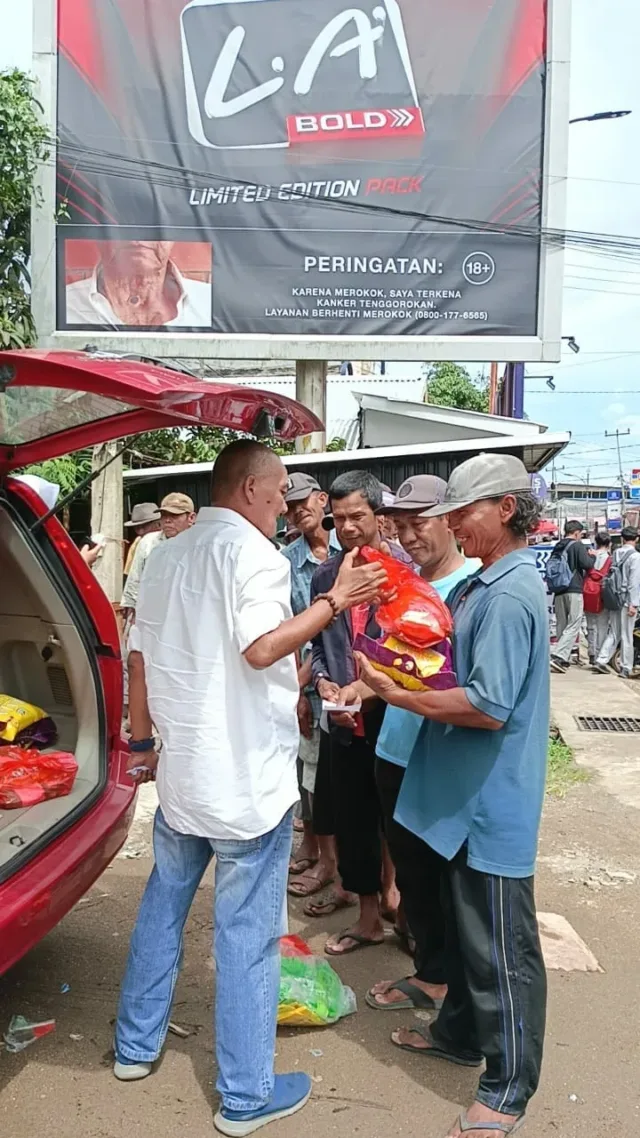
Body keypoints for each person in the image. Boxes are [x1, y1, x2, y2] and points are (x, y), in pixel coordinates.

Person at [113, 440, 386, 1136]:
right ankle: (243, 1096)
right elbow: (260, 647)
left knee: (162, 907)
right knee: (247, 939)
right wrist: (334, 599)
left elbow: (143, 663)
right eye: (280, 492)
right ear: (251, 489)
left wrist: (142, 743)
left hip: (184, 778)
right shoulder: (256, 557)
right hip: (244, 789)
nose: (288, 505)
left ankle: (134, 1048)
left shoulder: (168, 552)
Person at [353, 454, 549, 1138]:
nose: (454, 524)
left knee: (503, 955)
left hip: (490, 805)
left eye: (463, 512)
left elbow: (488, 706)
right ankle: (461, 1035)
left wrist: (396, 692)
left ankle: (508, 1086)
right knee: (472, 943)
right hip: (460, 800)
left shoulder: (508, 592)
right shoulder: (483, 585)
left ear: (502, 510)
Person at [352, 476, 481, 1013]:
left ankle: (455, 989)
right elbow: (397, 668)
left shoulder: (475, 588)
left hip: (442, 756)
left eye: (419, 523)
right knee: (411, 872)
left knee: (448, 878)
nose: (408, 536)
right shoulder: (400, 586)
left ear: (451, 520)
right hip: (394, 749)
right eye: (399, 526)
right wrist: (354, 688)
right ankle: (431, 976)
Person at [310, 470, 413, 954]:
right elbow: (318, 643)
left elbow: (412, 650)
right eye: (339, 518)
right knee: (353, 815)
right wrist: (323, 685)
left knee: (396, 816)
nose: (347, 526)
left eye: (357, 516)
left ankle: (400, 902)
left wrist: (363, 690)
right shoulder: (325, 577)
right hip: (342, 717)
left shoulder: (404, 573)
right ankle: (369, 916)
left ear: (378, 515)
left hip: (393, 711)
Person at [281, 473, 344, 901]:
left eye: (305, 501)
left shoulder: (351, 552)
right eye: (290, 506)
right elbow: (285, 630)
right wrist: (297, 693)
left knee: (340, 776)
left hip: (347, 676)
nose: (299, 510)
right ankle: (321, 855)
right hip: (306, 678)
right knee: (310, 772)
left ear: (323, 501)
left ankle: (338, 862)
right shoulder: (286, 561)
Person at [66, 240, 212, 328]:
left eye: (154, 220)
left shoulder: (209, 302)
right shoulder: (61, 306)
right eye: (122, 222)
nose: (137, 236)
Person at [121, 493, 196, 622]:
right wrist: (131, 609)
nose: (167, 520)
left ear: (191, 518)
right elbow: (135, 579)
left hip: (190, 615)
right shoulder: (148, 543)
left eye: (174, 515)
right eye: (164, 515)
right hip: (154, 616)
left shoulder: (201, 545)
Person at [593, 526, 640, 678]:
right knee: (627, 634)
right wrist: (634, 603)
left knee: (614, 632)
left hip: (614, 598)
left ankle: (601, 659)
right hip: (627, 600)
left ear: (622, 539)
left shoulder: (616, 553)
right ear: (636, 539)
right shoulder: (635, 557)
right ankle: (626, 667)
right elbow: (634, 582)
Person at [549, 520, 594, 673]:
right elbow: (587, 564)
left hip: (558, 589)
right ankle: (559, 655)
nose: (581, 537)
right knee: (574, 623)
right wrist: (592, 556)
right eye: (581, 534)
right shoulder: (577, 545)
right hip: (574, 588)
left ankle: (563, 659)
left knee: (562, 623)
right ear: (576, 533)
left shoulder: (558, 546)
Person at [583, 531, 612, 664]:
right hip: (602, 593)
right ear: (609, 543)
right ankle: (600, 654)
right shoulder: (610, 559)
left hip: (588, 591)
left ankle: (591, 652)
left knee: (590, 625)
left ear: (597, 542)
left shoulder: (590, 555)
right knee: (602, 626)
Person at [123, 503, 161, 578]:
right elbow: (130, 574)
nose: (140, 531)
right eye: (137, 527)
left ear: (158, 524)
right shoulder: (138, 542)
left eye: (144, 526)